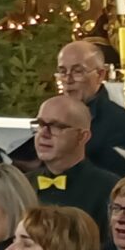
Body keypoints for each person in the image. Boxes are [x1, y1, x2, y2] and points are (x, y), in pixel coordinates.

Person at [18, 94, 116, 228]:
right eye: (40, 124)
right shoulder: (22, 185)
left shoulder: (108, 189)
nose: (44, 134)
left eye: (56, 126)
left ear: (82, 136)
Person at [55, 36, 125, 173]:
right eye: (62, 71)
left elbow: (114, 179)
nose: (68, 79)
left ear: (100, 75)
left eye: (77, 71)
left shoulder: (123, 123)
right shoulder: (51, 115)